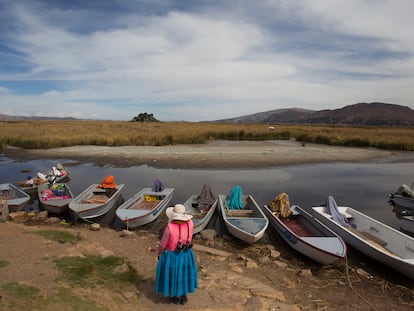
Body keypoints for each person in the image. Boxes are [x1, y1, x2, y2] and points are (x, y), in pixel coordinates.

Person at [155, 204, 198, 305]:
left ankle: (174, 296)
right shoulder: (190, 223)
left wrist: (159, 254)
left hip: (172, 255)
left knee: (173, 274)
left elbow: (162, 244)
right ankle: (183, 297)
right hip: (187, 254)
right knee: (184, 273)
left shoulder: (169, 228)